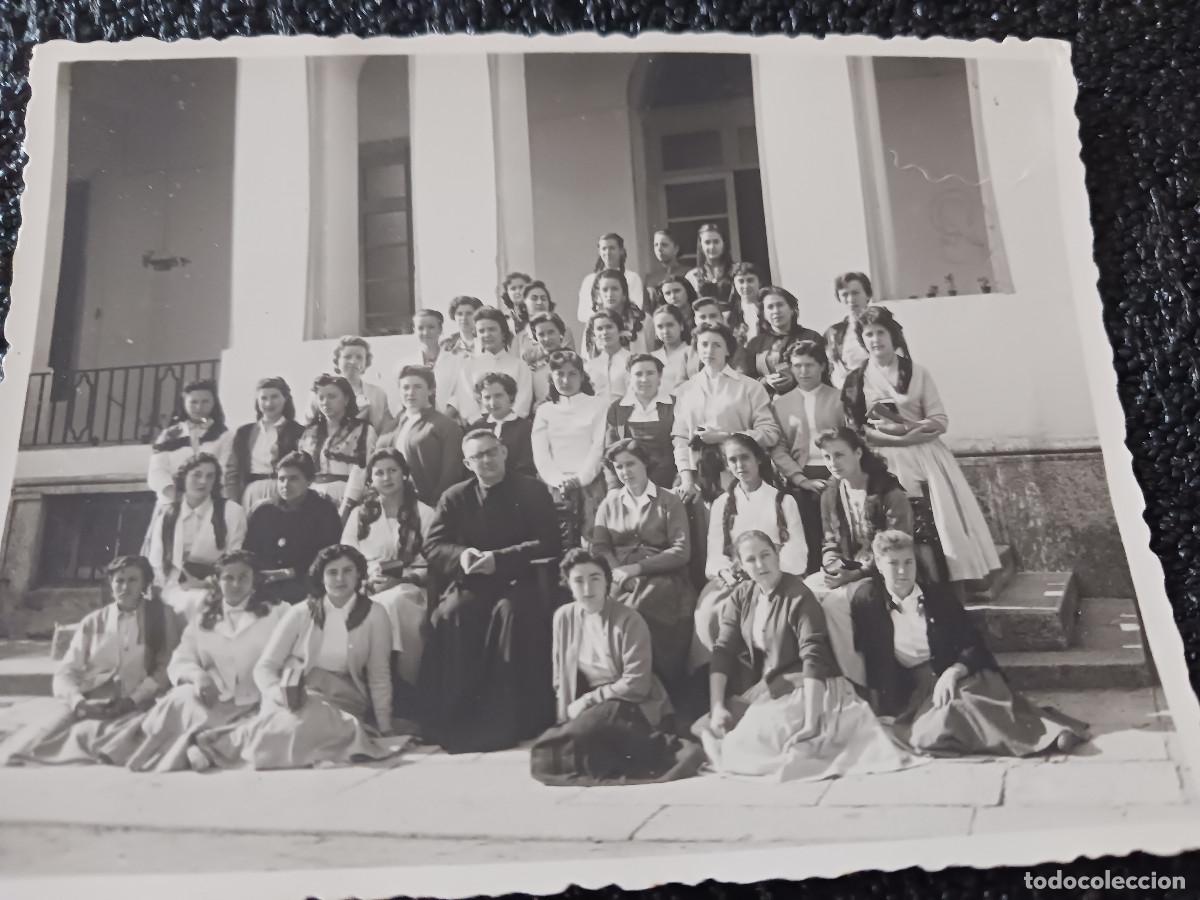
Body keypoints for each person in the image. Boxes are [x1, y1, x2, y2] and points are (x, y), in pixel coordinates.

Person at [691, 532, 911, 780]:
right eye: (751, 560)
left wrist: (811, 721)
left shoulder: (798, 595)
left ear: (777, 554)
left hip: (813, 687)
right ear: (741, 565)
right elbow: (723, 649)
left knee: (751, 745)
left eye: (766, 555)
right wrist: (717, 705)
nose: (761, 565)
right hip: (775, 684)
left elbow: (813, 657)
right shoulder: (742, 595)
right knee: (714, 727)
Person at [850, 531, 1088, 756]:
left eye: (908, 562)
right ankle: (1031, 738)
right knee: (926, 735)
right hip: (919, 687)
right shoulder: (867, 601)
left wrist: (953, 672)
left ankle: (1050, 738)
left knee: (971, 702)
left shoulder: (938, 597)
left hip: (959, 671)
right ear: (879, 566)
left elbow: (973, 644)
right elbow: (874, 657)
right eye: (893, 564)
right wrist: (884, 709)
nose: (902, 571)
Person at [190, 545, 409, 770]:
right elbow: (265, 667)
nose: (340, 579)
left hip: (346, 699)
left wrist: (384, 726)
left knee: (319, 726)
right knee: (294, 725)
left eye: (347, 571)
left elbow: (379, 674)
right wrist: (279, 695)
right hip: (299, 694)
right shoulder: (301, 612)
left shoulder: (376, 614)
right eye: (332, 572)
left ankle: (217, 746)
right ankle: (214, 746)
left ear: (359, 574)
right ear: (321, 576)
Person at [420, 429, 562, 753]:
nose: (486, 461)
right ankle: (457, 714)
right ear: (467, 464)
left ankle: (515, 718)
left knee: (511, 615)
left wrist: (499, 560)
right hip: (473, 581)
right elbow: (433, 545)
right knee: (452, 613)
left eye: (490, 453)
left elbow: (549, 541)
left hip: (521, 579)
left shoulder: (532, 491)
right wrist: (463, 555)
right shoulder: (454, 496)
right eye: (477, 457)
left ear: (504, 453)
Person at [843, 306, 1000, 587]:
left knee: (936, 525)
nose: (876, 339)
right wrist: (895, 439)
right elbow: (858, 430)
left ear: (893, 336)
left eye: (881, 332)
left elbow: (940, 421)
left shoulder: (917, 372)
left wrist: (908, 430)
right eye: (869, 334)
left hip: (925, 457)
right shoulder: (857, 380)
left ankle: (945, 584)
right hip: (882, 458)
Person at [529, 549, 705, 787]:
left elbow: (637, 684)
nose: (587, 588)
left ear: (607, 581)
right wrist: (565, 718)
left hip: (631, 702)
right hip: (594, 705)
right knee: (546, 753)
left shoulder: (629, 620)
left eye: (595, 578)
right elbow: (560, 676)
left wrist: (588, 701)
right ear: (568, 585)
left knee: (585, 737)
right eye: (578, 581)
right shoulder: (563, 617)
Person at [106, 550, 286, 772]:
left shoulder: (278, 612)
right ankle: (204, 744)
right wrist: (198, 676)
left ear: (254, 580)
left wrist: (275, 687)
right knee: (178, 699)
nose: (236, 584)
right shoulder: (204, 617)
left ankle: (201, 744)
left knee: (276, 725)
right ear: (218, 581)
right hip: (215, 699)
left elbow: (293, 655)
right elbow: (181, 659)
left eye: (243, 577)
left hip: (260, 699)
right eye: (228, 578)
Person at [0, 556, 182, 765]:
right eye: (119, 581)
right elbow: (67, 671)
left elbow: (165, 666)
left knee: (139, 737)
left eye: (132, 580)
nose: (125, 586)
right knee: (32, 746)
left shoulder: (159, 616)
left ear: (144, 583)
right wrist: (79, 702)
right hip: (94, 700)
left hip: (139, 702)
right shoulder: (93, 622)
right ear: (111, 584)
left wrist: (134, 699)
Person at [801, 427, 913, 686]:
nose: (833, 463)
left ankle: (858, 681)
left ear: (858, 452)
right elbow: (830, 540)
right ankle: (818, 678)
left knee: (835, 605)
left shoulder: (888, 492)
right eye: (827, 457)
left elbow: (897, 545)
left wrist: (858, 573)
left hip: (886, 570)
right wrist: (832, 567)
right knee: (804, 591)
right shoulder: (831, 493)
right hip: (849, 568)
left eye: (839, 455)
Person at [591, 440, 696, 690]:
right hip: (619, 579)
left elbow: (681, 551)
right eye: (618, 467)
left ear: (645, 464)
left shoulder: (669, 500)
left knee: (639, 610)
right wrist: (618, 571)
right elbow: (600, 546)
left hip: (664, 578)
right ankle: (614, 684)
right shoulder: (609, 503)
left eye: (631, 464)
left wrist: (637, 569)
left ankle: (652, 686)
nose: (625, 472)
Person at [692, 434, 806, 662]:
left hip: (775, 575)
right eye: (732, 460)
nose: (739, 465)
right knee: (710, 611)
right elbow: (715, 552)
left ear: (759, 459)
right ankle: (723, 679)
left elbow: (798, 551)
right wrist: (725, 571)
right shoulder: (722, 504)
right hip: (736, 578)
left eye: (745, 458)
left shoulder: (783, 501)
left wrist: (764, 569)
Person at [342, 448, 436, 707]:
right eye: (379, 473)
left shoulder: (424, 514)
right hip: (367, 587)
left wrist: (404, 579)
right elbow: (347, 558)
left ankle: (404, 687)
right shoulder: (360, 515)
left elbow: (434, 564)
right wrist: (363, 581)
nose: (387, 478)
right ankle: (362, 694)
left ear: (405, 474)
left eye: (393, 471)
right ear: (370, 480)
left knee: (394, 604)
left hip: (411, 589)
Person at [671, 324, 781, 506]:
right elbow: (681, 438)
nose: (709, 350)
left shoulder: (750, 387)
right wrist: (687, 480)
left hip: (744, 477)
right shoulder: (685, 390)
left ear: (728, 350)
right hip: (701, 482)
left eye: (717, 345)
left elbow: (770, 434)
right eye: (704, 344)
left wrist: (727, 437)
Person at [770, 341, 845, 572]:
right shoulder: (780, 404)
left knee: (838, 532)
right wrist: (801, 479)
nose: (803, 372)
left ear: (822, 366)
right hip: (801, 476)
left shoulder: (840, 398)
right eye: (797, 366)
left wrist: (838, 477)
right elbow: (778, 448)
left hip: (838, 473)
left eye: (810, 365)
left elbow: (851, 439)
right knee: (807, 532)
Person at [145, 453, 248, 622]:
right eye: (197, 475)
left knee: (201, 603)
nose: (203, 482)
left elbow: (236, 560)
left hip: (217, 587)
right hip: (173, 587)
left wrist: (206, 583)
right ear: (183, 477)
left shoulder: (231, 511)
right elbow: (156, 562)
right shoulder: (168, 514)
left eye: (210, 476)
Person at [243, 450, 344, 605]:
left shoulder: (324, 511)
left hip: (305, 583)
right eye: (281, 479)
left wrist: (290, 572)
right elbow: (248, 552)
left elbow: (329, 555)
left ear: (309, 481)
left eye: (293, 479)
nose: (285, 485)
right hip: (265, 583)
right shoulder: (262, 511)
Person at [531, 350, 610, 548]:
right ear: (552, 377)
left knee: (593, 543)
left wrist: (580, 478)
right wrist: (558, 480)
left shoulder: (598, 405)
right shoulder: (544, 410)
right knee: (558, 542)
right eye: (560, 374)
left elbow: (598, 446)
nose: (566, 380)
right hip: (555, 485)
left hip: (590, 483)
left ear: (582, 376)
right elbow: (541, 453)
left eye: (572, 374)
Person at [381, 365, 465, 507]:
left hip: (431, 506)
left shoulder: (446, 426)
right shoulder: (391, 427)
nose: (410, 392)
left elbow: (451, 474)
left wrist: (435, 506)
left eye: (418, 387)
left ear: (431, 390)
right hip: (393, 505)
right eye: (405, 387)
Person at [298, 374, 377, 518]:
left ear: (346, 399)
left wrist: (347, 507)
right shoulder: (310, 432)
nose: (325, 402)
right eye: (321, 397)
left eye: (332, 396)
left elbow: (360, 472)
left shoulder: (363, 430)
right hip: (312, 498)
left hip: (347, 495)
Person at [226, 377, 305, 512]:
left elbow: (303, 469)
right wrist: (233, 502)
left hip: (284, 492)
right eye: (263, 398)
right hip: (251, 493)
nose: (269, 403)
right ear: (257, 401)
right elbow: (232, 471)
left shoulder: (298, 431)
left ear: (285, 398)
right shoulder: (244, 432)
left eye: (274, 397)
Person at [147, 379, 233, 503]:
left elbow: (224, 471)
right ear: (184, 403)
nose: (199, 407)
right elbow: (157, 471)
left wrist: (200, 499)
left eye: (205, 402)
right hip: (172, 503)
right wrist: (179, 498)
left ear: (214, 403)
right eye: (193, 402)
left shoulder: (224, 435)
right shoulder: (169, 435)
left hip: (209, 503)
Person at [604, 354, 676, 490]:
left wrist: (679, 484)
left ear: (659, 377)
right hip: (629, 486)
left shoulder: (675, 405)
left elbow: (684, 448)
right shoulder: (617, 409)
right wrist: (613, 488)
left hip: (669, 485)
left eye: (650, 373)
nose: (644, 379)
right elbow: (610, 454)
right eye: (638, 374)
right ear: (630, 378)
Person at [451, 308, 534, 422]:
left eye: (492, 329)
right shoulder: (469, 365)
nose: (487, 334)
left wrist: (510, 421)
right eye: (481, 331)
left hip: (514, 425)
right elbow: (466, 400)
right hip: (480, 425)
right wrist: (478, 422)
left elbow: (523, 399)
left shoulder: (519, 365)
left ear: (503, 333)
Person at [739, 286, 824, 396]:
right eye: (770, 307)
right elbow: (746, 380)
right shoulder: (755, 344)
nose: (776, 311)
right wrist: (766, 382)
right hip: (767, 405)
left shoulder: (811, 337)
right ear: (764, 313)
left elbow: (824, 372)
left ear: (792, 309)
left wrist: (795, 378)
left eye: (780, 305)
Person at [469, 372, 536, 479]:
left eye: (498, 396)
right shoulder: (476, 427)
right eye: (487, 397)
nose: (493, 403)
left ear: (510, 396)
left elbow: (527, 468)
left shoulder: (526, 428)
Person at [400, 308, 466, 418]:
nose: (426, 332)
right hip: (416, 421)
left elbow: (460, 394)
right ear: (414, 330)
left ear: (440, 329)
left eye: (431, 327)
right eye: (420, 328)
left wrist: (444, 419)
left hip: (449, 421)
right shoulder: (406, 365)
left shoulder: (457, 361)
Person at [329, 336, 395, 436]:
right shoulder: (323, 391)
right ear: (337, 361)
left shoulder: (378, 394)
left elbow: (387, 429)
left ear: (366, 363)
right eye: (347, 357)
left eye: (359, 357)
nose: (353, 361)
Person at [576, 233, 646, 326]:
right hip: (597, 329)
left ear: (621, 250)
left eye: (612, 248)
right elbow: (582, 314)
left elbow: (636, 307)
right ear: (599, 251)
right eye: (604, 249)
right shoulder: (589, 280)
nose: (608, 253)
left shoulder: (632, 278)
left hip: (626, 327)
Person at [824, 272, 874, 388]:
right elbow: (827, 369)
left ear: (867, 295)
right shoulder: (833, 333)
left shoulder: (885, 327)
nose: (851, 299)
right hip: (846, 396)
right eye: (845, 294)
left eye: (855, 293)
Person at [585, 269, 648, 357]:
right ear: (599, 294)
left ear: (624, 293)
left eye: (615, 289)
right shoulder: (593, 322)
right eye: (605, 290)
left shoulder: (644, 320)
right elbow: (586, 358)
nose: (610, 294)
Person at [513, 281, 576, 365]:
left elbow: (568, 359)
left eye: (543, 298)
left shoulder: (564, 330)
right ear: (524, 304)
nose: (539, 302)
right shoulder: (519, 338)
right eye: (534, 298)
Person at [583, 310, 632, 402]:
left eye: (609, 327)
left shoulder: (633, 361)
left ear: (620, 330)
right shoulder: (589, 367)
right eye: (599, 329)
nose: (605, 332)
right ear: (594, 334)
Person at [685, 223, 736, 312]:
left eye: (716, 241)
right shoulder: (692, 276)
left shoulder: (737, 271)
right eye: (707, 242)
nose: (712, 247)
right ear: (701, 246)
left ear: (723, 243)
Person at [650, 304, 698, 396]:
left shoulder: (692, 353)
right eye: (660, 327)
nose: (665, 331)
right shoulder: (651, 357)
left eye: (670, 325)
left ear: (681, 326)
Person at [527, 311, 571, 409]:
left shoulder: (576, 362)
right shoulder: (533, 369)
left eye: (551, 332)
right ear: (536, 337)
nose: (547, 338)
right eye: (541, 334)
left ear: (560, 333)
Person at [648, 273, 698, 345]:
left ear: (687, 291)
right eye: (668, 293)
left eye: (677, 291)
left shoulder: (700, 314)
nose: (673, 296)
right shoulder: (660, 319)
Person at [644, 228, 688, 298]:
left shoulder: (687, 273)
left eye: (664, 245)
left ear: (676, 249)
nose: (659, 249)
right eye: (656, 245)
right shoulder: (650, 278)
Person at [729, 262, 764, 346]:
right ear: (734, 285)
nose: (745, 286)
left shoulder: (768, 308)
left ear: (759, 282)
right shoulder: (731, 314)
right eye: (741, 281)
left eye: (750, 280)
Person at [497, 271, 532, 335]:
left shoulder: (540, 314)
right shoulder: (504, 319)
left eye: (521, 287)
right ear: (507, 293)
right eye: (513, 288)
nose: (518, 291)